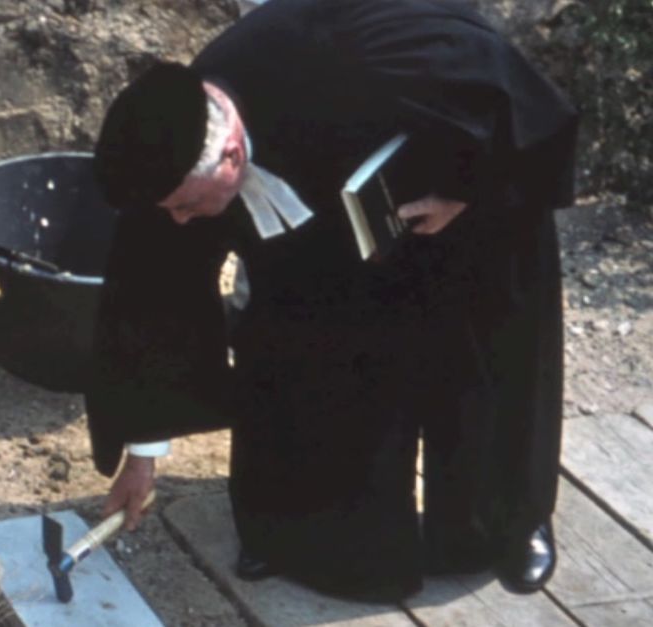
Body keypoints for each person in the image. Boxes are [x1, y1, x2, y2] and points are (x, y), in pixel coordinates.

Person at [85, 0, 577, 602]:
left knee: (484, 352)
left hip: (461, 189)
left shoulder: (361, 51)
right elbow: (150, 300)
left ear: (231, 155)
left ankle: (506, 523)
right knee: (293, 338)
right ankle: (295, 531)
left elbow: (515, 98)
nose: (181, 221)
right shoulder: (174, 160)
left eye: (189, 206)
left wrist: (464, 187)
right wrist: (141, 453)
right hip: (340, 228)